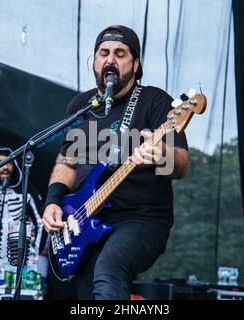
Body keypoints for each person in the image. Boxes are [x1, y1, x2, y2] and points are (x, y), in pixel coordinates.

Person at [42, 25, 190, 300]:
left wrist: (161, 156)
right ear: (95, 61)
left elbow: (181, 163)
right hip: (84, 221)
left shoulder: (155, 101)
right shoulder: (82, 105)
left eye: (120, 53)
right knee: (85, 294)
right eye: (103, 52)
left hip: (140, 220)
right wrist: (53, 201)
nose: (110, 59)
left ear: (135, 65)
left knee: (110, 270)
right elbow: (66, 163)